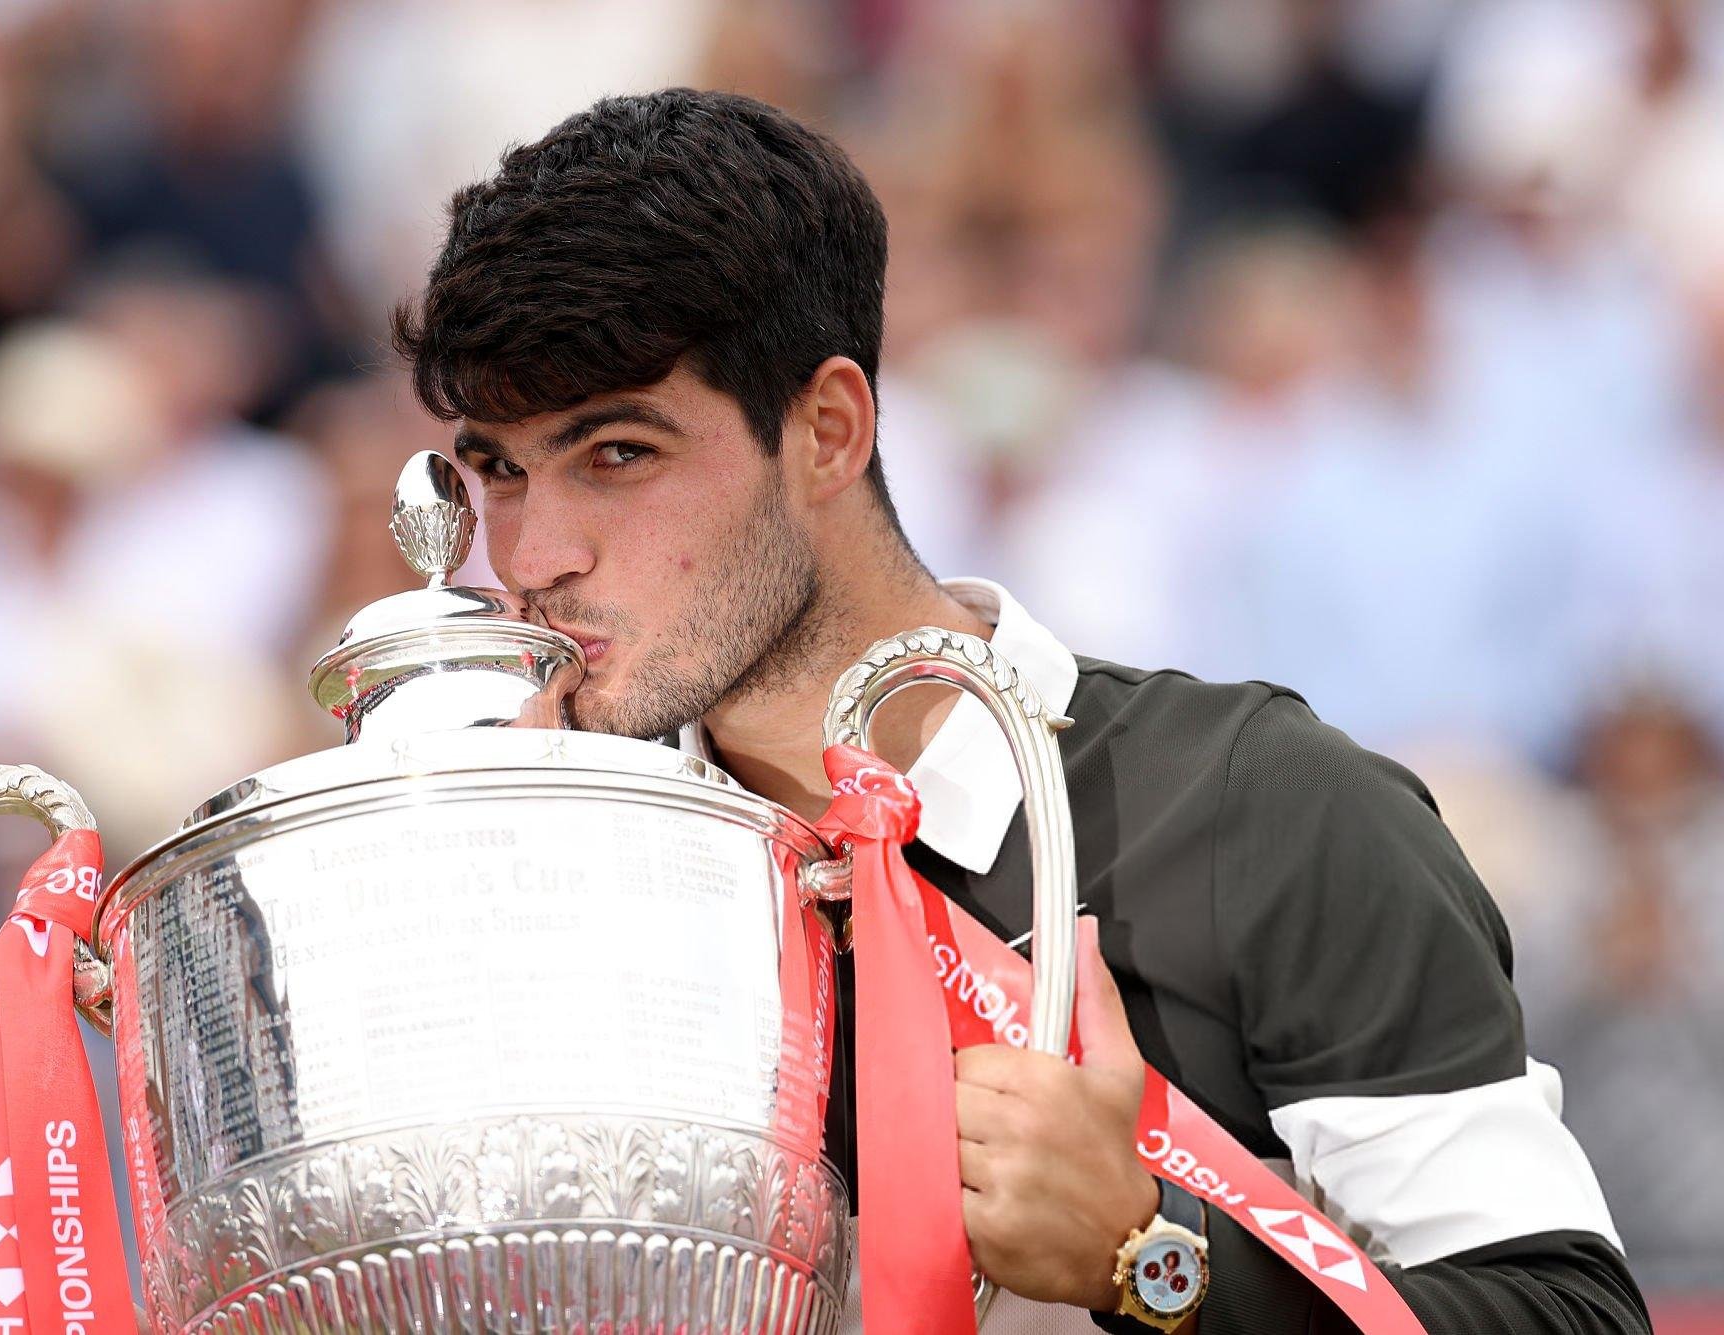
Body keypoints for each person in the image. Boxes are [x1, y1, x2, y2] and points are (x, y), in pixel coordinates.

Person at [386, 89, 1651, 1332]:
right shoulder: (556, 879)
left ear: (825, 431)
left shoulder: (1264, 808)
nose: (533, 556)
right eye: (498, 470)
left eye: (617, 454)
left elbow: (1566, 1316)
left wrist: (1154, 1260)